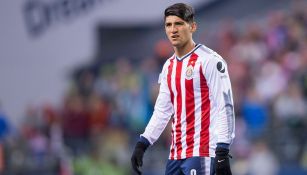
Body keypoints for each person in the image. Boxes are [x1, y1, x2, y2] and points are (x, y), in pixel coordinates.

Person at [131, 3, 235, 175]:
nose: (173, 30)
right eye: (168, 25)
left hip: (202, 152)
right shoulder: (168, 67)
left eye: (178, 24)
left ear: (192, 26)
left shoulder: (210, 61)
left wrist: (223, 149)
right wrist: (143, 142)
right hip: (175, 154)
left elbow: (225, 107)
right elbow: (163, 110)